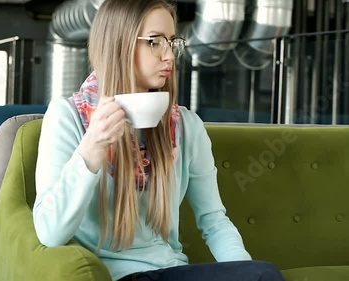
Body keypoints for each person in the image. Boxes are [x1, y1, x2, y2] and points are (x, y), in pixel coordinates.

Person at [32, 0, 285, 280]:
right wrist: (92, 149)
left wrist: (244, 271)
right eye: (155, 42)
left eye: (172, 42)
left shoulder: (186, 126)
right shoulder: (68, 117)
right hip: (114, 275)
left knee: (261, 274)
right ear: (120, 44)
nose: (169, 56)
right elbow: (49, 232)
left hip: (172, 269)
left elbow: (214, 222)